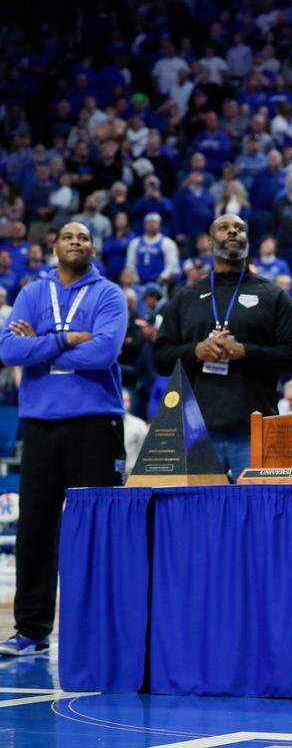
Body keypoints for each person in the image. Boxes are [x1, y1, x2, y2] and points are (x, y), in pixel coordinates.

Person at [0, 221, 127, 656]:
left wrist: (43, 344)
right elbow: (9, 351)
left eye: (84, 238)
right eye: (69, 237)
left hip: (95, 422)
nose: (77, 242)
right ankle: (32, 630)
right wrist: (69, 338)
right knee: (34, 528)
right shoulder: (34, 292)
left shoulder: (108, 294)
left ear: (92, 248)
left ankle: (98, 630)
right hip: (40, 424)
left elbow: (104, 352)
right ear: (53, 246)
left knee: (98, 528)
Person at [154, 214, 292, 479]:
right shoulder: (185, 297)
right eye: (224, 228)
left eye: (240, 228)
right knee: (201, 516)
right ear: (210, 242)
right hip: (197, 429)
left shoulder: (272, 295)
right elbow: (160, 359)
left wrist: (245, 351)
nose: (233, 232)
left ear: (249, 240)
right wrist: (196, 351)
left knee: (255, 514)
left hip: (255, 427)